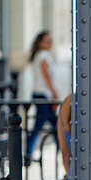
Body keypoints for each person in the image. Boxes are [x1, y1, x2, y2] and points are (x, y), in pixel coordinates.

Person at [26, 30, 63, 162]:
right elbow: (47, 77)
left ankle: (62, 151)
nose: (50, 43)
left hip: (40, 94)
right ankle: (29, 152)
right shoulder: (43, 56)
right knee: (50, 125)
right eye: (47, 40)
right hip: (43, 95)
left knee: (52, 125)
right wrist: (54, 93)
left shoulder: (41, 55)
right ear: (40, 42)